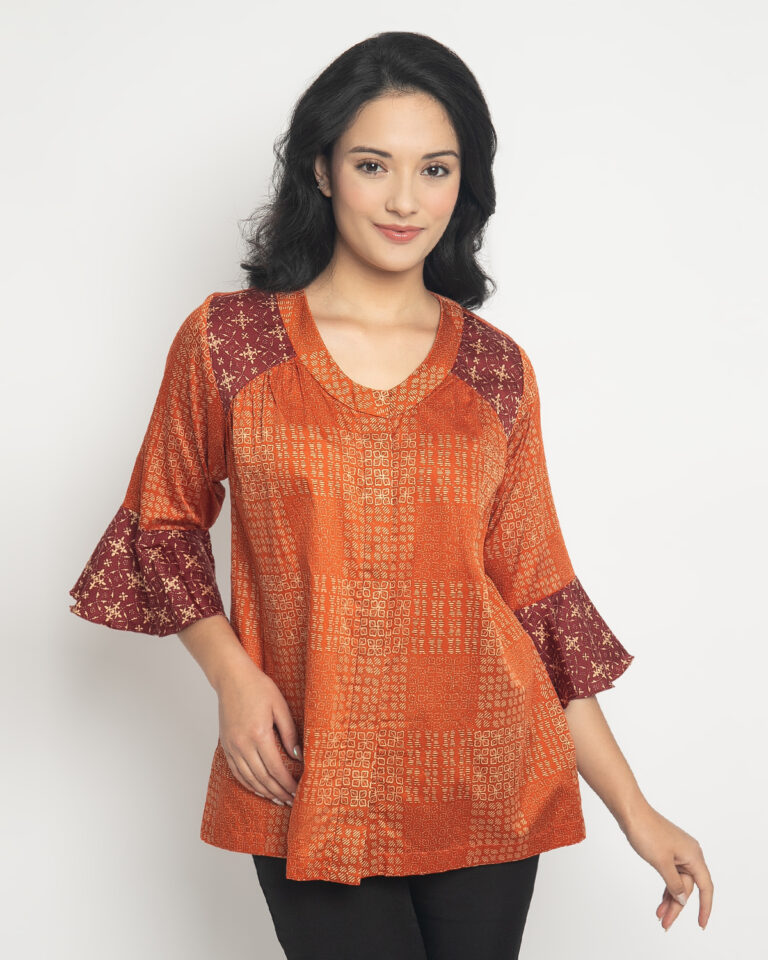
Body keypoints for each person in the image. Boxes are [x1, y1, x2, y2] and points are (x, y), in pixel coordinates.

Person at [68, 30, 713, 960]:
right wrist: (233, 677)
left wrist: (637, 813)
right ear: (322, 170)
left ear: (464, 184)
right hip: (310, 768)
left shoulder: (496, 370)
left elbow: (536, 598)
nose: (406, 200)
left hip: (488, 769)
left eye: (435, 170)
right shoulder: (231, 343)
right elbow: (162, 524)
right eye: (374, 165)